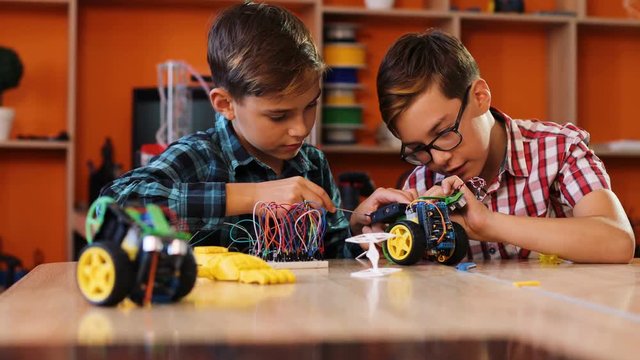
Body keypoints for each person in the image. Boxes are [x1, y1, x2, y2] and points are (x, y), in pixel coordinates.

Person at [351, 28, 635, 263]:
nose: (438, 159)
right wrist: (367, 229)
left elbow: (618, 241)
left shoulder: (559, 151)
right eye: (419, 149)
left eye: (444, 132)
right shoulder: (423, 184)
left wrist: (488, 224)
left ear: (480, 96)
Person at [101, 2, 352, 258]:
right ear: (226, 104)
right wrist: (252, 195)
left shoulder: (313, 164)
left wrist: (363, 231)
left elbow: (334, 254)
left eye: (310, 106)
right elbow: (110, 203)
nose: (301, 129)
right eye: (279, 116)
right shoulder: (199, 157)